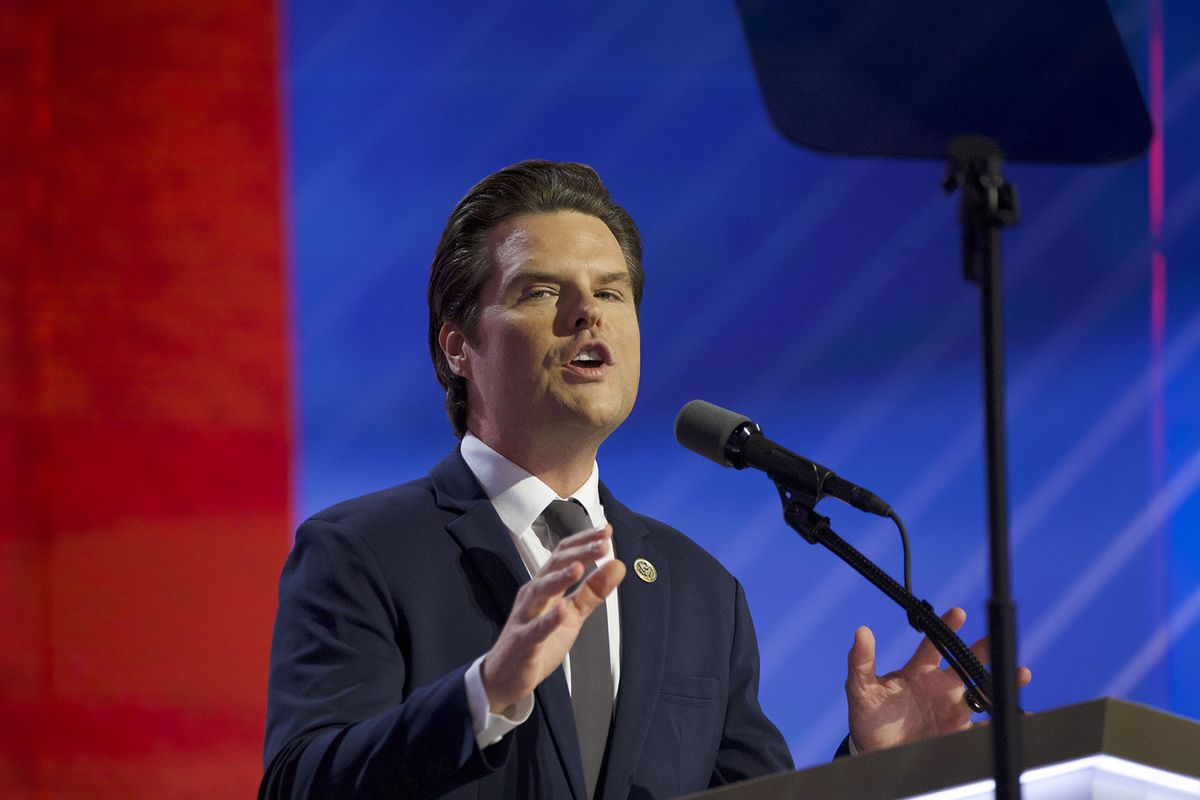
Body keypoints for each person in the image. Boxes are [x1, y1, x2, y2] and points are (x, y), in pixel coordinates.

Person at [261, 160, 1027, 799]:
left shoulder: (701, 594)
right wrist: (487, 691)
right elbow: (300, 783)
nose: (587, 314)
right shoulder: (362, 552)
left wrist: (870, 768)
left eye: (611, 291)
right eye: (541, 290)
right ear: (458, 346)